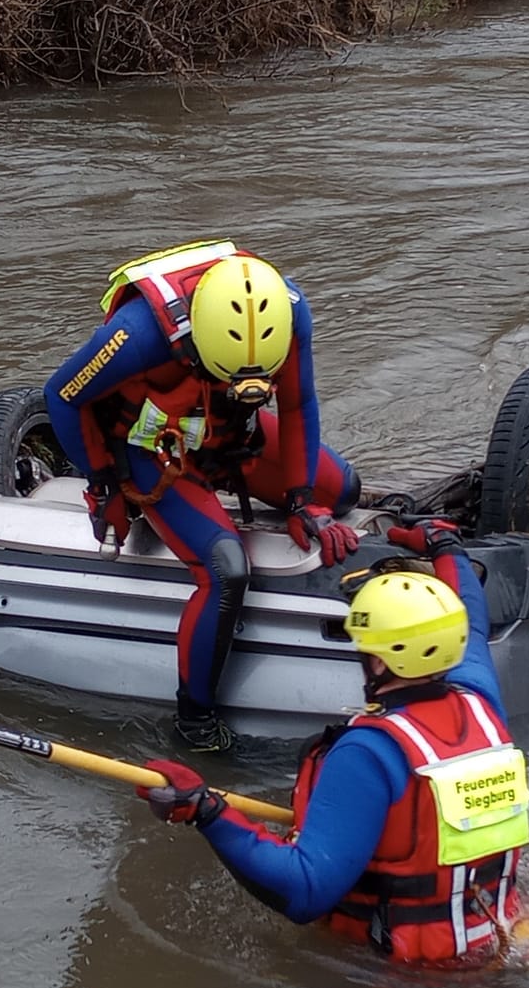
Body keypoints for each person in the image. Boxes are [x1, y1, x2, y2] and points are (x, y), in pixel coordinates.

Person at [132, 518, 529, 966]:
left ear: (378, 661)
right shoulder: (481, 703)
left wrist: (205, 811)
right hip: (497, 943)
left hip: (410, 979)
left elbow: (305, 890)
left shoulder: (370, 753)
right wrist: (446, 546)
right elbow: (472, 619)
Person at [44, 240, 363, 753]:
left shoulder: (289, 310)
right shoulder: (138, 335)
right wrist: (104, 484)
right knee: (226, 569)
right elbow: (62, 395)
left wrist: (302, 500)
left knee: (343, 488)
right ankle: (194, 720)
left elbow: (299, 402)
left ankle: (280, 483)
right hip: (157, 450)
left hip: (233, 435)